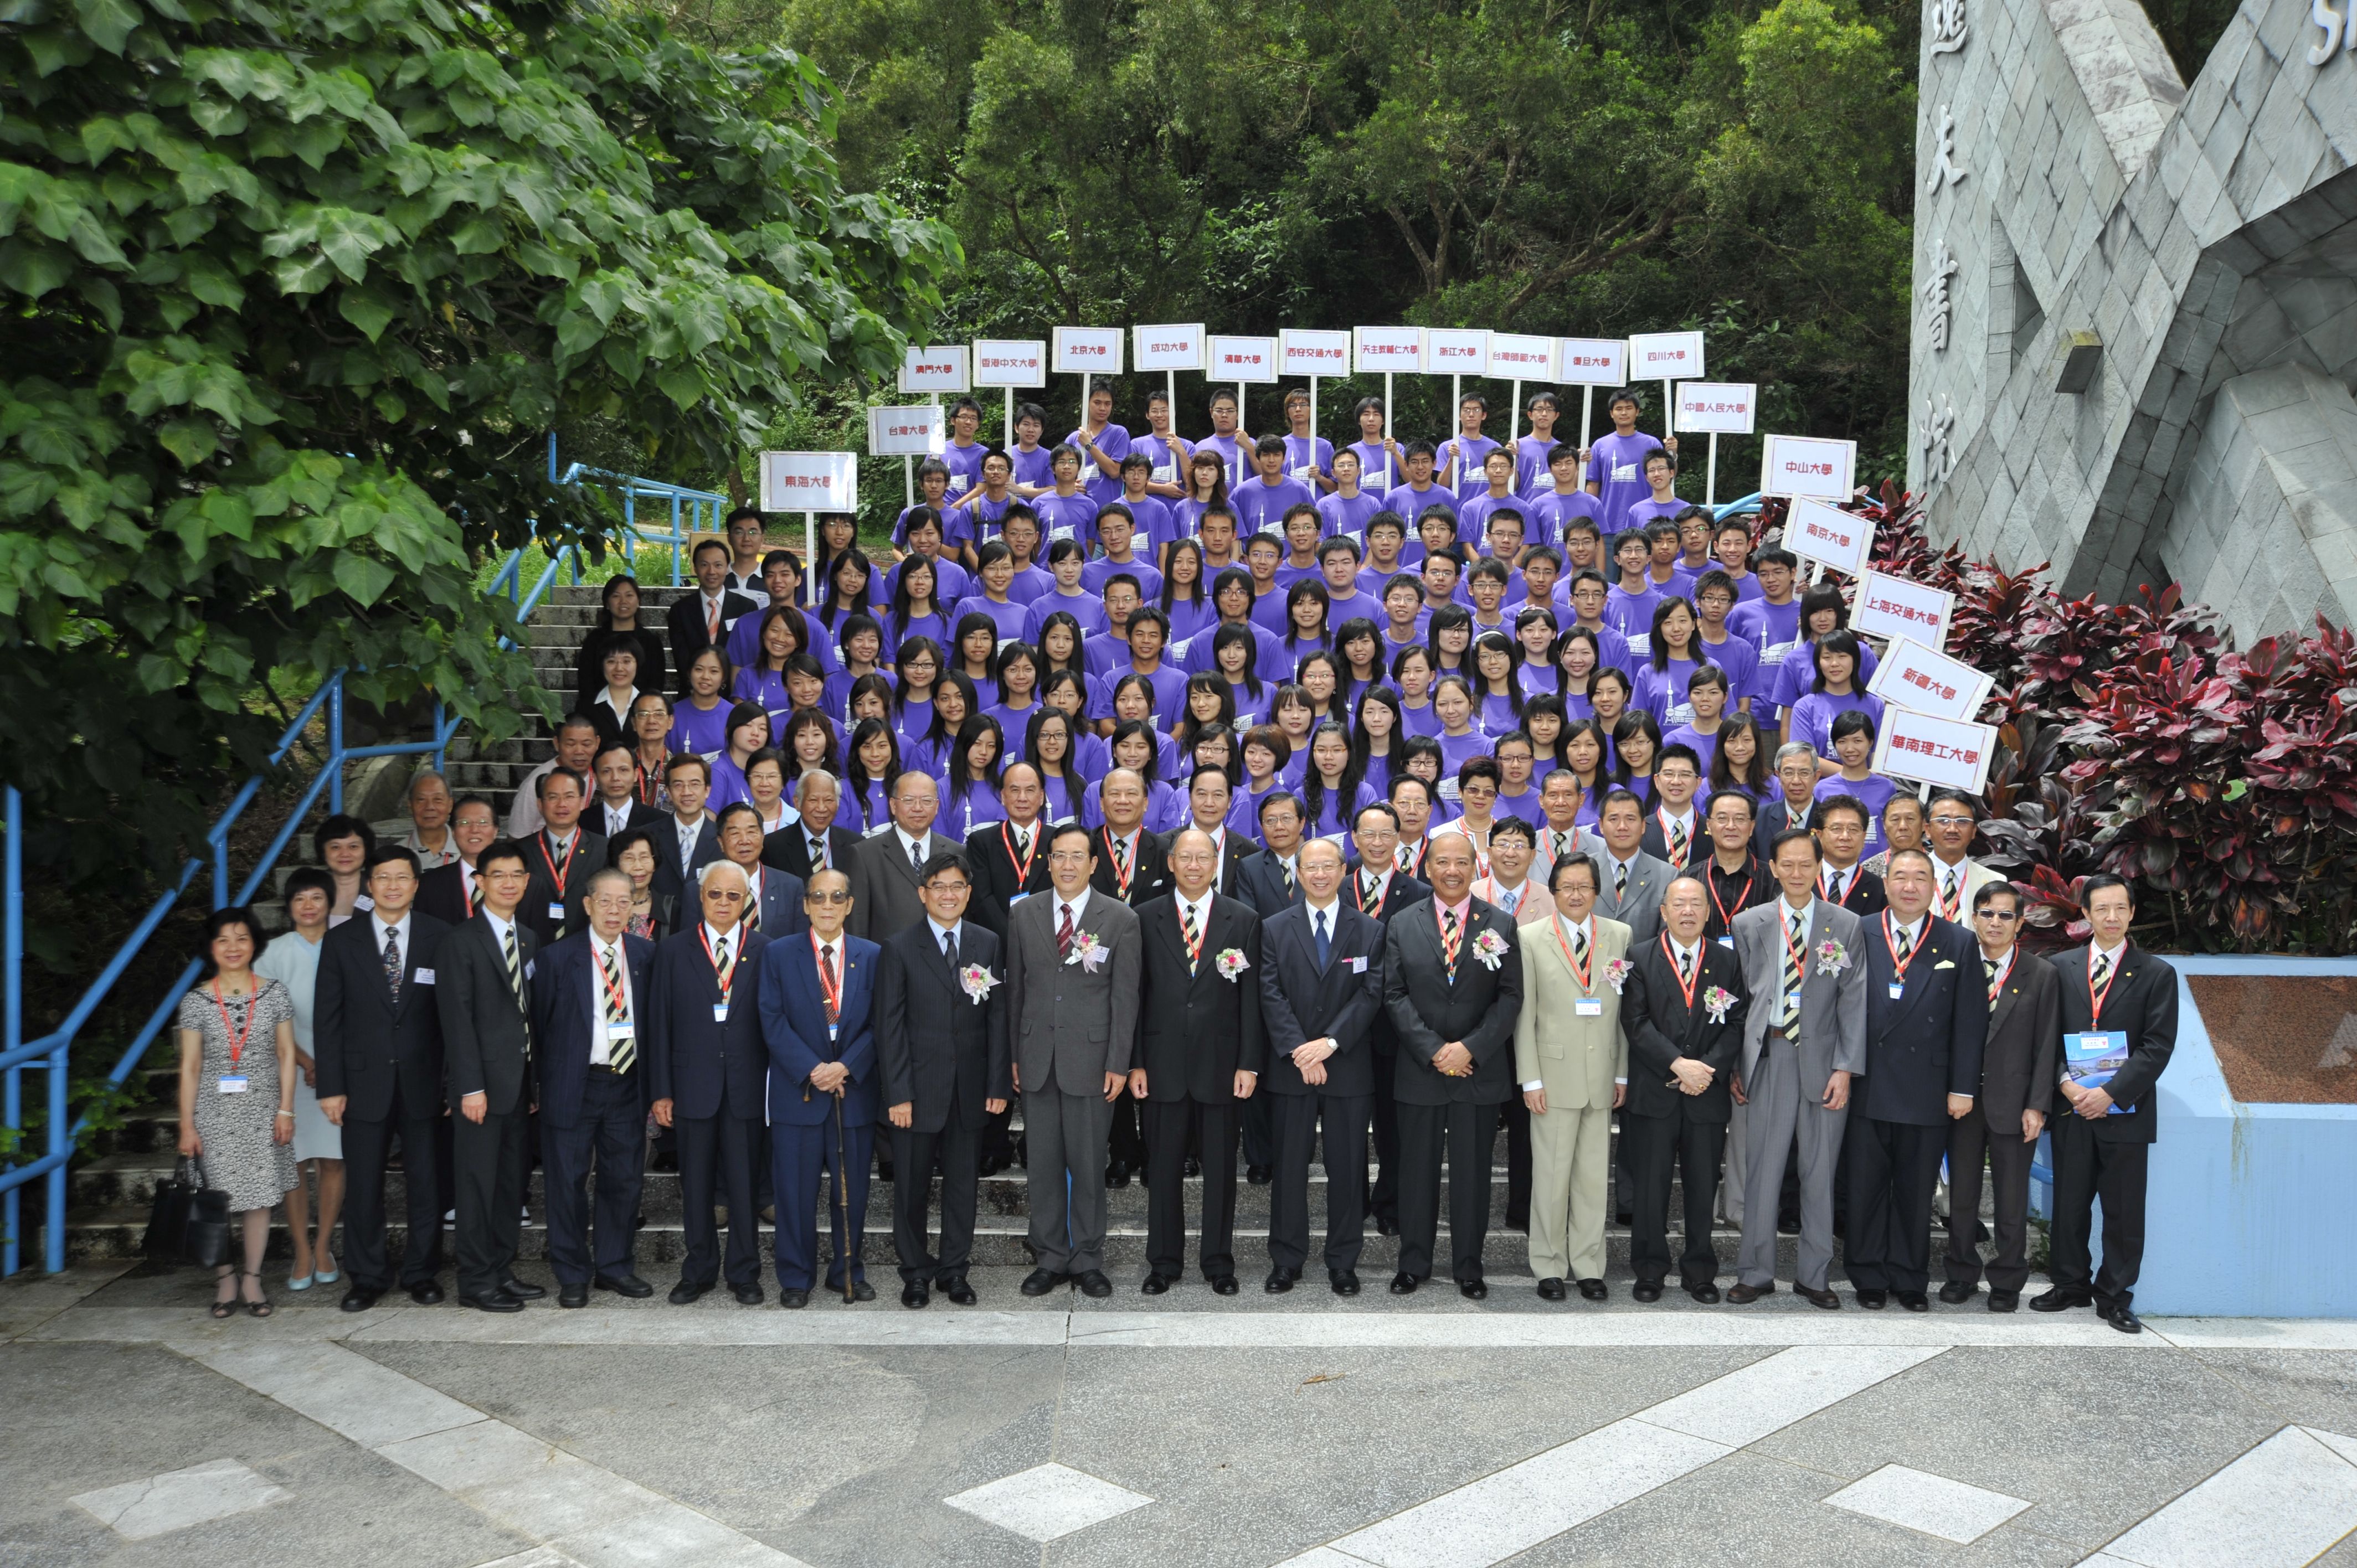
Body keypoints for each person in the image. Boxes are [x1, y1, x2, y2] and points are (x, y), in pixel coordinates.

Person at [1726, 829, 1868, 1308]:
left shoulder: (1845, 924)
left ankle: (1814, 1275)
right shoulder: (1749, 923)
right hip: (1768, 1056)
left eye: (1806, 864)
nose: (1797, 873)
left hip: (1825, 1062)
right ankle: (1755, 1271)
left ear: (1818, 866)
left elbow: (1854, 1001)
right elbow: (1742, 999)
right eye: (1787, 864)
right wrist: (1737, 1064)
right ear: (1773, 868)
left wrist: (1846, 1067)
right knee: (1762, 1170)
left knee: (1819, 1171)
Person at [1844, 849, 1987, 1311]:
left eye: (1919, 878)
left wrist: (1963, 1088)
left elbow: (1970, 1021)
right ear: (1884, 885)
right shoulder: (1857, 931)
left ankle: (1909, 1278)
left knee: (1915, 1189)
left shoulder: (1958, 941)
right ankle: (1866, 1274)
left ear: (1933, 886)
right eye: (1900, 877)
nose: (1909, 886)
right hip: (1867, 1081)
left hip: (1927, 1088)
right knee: (1865, 1186)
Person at [1383, 832, 1523, 1298]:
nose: (1451, 870)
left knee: (1472, 1176)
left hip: (1477, 1073)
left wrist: (1469, 1049)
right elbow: (1394, 994)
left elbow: (1510, 998)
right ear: (1428, 868)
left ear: (1475, 866)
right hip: (1420, 1071)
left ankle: (1469, 1266)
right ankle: (1413, 1264)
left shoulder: (1500, 925)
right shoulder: (1402, 923)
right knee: (1416, 1173)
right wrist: (1433, 1050)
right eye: (1442, 862)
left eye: (1461, 862)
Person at [2035, 873, 2176, 1333]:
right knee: (2070, 1204)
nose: (2111, 917)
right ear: (2085, 914)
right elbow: (2045, 1038)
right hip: (2073, 1108)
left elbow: (2157, 1046)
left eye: (2120, 908)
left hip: (2126, 1113)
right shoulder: (2059, 968)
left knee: (2123, 1210)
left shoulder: (2157, 973)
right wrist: (2067, 1086)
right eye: (2102, 909)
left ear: (2132, 913)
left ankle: (2115, 1296)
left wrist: (2110, 1093)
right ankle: (2070, 1284)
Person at [1006, 824, 1141, 1299]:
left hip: (1091, 1059)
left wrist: (1119, 1063)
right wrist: (1014, 1056)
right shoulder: (1024, 914)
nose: (1067, 865)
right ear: (1048, 862)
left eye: (1077, 856)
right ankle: (1049, 1257)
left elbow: (1126, 999)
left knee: (1087, 1166)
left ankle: (1087, 1258)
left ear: (1093, 864)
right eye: (1059, 856)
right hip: (1037, 1058)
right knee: (1042, 1166)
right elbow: (1017, 992)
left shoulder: (1120, 918)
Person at [315, 845, 450, 1312]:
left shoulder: (441, 936)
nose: (393, 885)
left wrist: (452, 1083)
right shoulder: (341, 940)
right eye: (383, 878)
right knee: (364, 1186)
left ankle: (421, 1272)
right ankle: (367, 1276)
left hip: (425, 1083)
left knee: (426, 1183)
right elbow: (327, 1020)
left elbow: (451, 1019)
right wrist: (330, 1087)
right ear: (370, 885)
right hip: (361, 1083)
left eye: (402, 877)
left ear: (417, 884)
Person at [1132, 828, 1265, 1294]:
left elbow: (1252, 999)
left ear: (1216, 864)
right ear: (1170, 863)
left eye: (1202, 858)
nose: (1193, 865)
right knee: (1163, 1171)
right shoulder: (1144, 917)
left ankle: (1218, 1263)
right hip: (1161, 1065)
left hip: (1222, 1067)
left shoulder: (1243, 919)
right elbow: (1135, 995)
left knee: (1221, 1174)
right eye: (1184, 857)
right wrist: (1135, 1063)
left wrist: (1249, 1063)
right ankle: (1163, 1262)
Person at [876, 850, 1010, 1307]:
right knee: (911, 1188)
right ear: (922, 894)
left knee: (962, 1187)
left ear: (969, 893)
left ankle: (955, 1270)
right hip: (916, 1092)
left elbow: (997, 1018)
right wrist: (897, 1092)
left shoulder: (986, 942)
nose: (948, 895)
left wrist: (996, 1085)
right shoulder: (898, 947)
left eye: (957, 887)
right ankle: (915, 1272)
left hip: (970, 1091)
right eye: (939, 887)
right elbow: (889, 1027)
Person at [1253, 837, 1384, 1295]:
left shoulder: (1368, 929)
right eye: (1312, 867)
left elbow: (1371, 994)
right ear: (1300, 873)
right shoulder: (1273, 927)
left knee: (1347, 1169)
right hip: (1293, 1068)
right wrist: (1300, 1050)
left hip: (1346, 1067)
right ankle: (1286, 1259)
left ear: (1343, 871)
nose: (1321, 875)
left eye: (1329, 866)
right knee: (1289, 1167)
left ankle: (1343, 1261)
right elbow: (1269, 993)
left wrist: (1329, 1044)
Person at [528, 866, 657, 1307]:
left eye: (625, 901)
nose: (615, 910)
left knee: (624, 1181)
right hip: (573, 1086)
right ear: (587, 905)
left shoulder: (645, 956)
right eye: (606, 901)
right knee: (566, 1182)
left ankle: (614, 1267)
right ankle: (572, 1273)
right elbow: (540, 1029)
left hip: (627, 1084)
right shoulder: (557, 958)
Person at [646, 859, 771, 1306]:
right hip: (691, 1087)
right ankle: (697, 1271)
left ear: (746, 902)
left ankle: (744, 1272)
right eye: (715, 894)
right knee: (696, 1187)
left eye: (733, 896)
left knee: (744, 1185)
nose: (723, 902)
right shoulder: (674, 950)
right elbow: (659, 1024)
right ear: (701, 897)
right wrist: (661, 1090)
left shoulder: (765, 949)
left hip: (747, 1089)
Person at [1619, 873, 1748, 1302]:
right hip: (1655, 1092)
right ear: (1664, 912)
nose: (1688, 911)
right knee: (1650, 1187)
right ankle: (1650, 1270)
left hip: (1705, 1095)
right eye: (1679, 904)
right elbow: (1635, 1023)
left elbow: (1736, 1023)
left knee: (1701, 1186)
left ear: (1708, 913)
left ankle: (1700, 1271)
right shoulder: (1639, 957)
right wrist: (1678, 1064)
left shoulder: (1726, 960)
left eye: (1696, 904)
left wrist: (1706, 1069)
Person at [758, 868, 880, 1306]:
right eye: (819, 898)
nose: (827, 906)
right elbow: (771, 1021)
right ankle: (795, 1277)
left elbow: (878, 1024)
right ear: (806, 905)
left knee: (853, 1193)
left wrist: (846, 1066)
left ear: (849, 904)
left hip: (853, 1093)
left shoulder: (871, 955)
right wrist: (814, 1069)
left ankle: (847, 1270)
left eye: (837, 897)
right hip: (799, 1092)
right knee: (793, 1192)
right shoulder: (778, 954)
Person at [434, 837, 542, 1313]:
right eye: (497, 875)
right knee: (476, 1186)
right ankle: (475, 1281)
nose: (508, 883)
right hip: (480, 1090)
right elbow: (456, 1021)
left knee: (508, 1185)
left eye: (516, 874)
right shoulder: (460, 940)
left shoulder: (529, 938)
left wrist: (533, 1084)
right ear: (479, 882)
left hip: (519, 1087)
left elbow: (529, 1016)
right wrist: (469, 1087)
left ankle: (501, 1269)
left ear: (527, 881)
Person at [1513, 855, 1629, 1302]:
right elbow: (1526, 1015)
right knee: (1552, 1176)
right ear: (1554, 892)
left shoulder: (1619, 936)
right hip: (1552, 1073)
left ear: (1597, 890)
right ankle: (1548, 1264)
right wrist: (1530, 1079)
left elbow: (1623, 1013)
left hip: (1601, 1072)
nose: (1576, 894)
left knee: (1592, 1178)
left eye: (1584, 886)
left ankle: (1588, 1264)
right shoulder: (1530, 937)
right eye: (1567, 887)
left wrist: (1622, 1071)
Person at [176, 907, 300, 1318]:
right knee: (216, 1198)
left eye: (242, 938)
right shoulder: (196, 1000)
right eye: (223, 939)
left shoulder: (274, 993)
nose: (233, 947)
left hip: (264, 1108)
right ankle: (225, 1278)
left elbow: (285, 1053)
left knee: (260, 1196)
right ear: (210, 947)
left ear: (254, 944)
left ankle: (252, 1278)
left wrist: (286, 1110)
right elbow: (190, 1066)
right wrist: (187, 1124)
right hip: (212, 1112)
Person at [1943, 879, 2060, 1312]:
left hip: (2015, 1103)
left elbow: (2047, 1044)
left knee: (2012, 1198)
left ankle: (2008, 1279)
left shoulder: (2041, 973)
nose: (1995, 922)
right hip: (1961, 1102)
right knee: (1963, 1196)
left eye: (2005, 915)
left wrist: (2037, 1104)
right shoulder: (1954, 965)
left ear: (2020, 922)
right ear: (1973, 917)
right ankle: (1960, 1273)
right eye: (1987, 913)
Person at [253, 868, 343, 1292]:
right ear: (289, 908)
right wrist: (305, 1061)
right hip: (288, 1071)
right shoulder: (271, 953)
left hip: (341, 1070)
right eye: (299, 899)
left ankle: (324, 1246)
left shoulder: (348, 943)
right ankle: (301, 1251)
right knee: (295, 1163)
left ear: (330, 902)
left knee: (333, 1160)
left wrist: (333, 1064)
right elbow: (265, 1018)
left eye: (317, 898)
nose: (308, 907)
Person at [846, 769, 960, 941]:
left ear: (937, 807)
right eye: (909, 800)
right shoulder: (865, 855)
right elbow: (857, 927)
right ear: (893, 805)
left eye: (927, 801)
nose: (918, 808)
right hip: (888, 961)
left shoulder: (956, 852)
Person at [517, 768, 604, 949]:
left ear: (582, 802)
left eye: (570, 796)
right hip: (535, 949)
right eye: (553, 797)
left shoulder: (604, 849)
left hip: (588, 950)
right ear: (540, 804)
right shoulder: (519, 852)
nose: (562, 804)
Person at [668, 538, 761, 682]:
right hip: (694, 692)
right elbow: (682, 660)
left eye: (718, 565)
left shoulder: (747, 607)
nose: (711, 571)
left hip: (733, 691)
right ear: (695, 568)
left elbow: (748, 656)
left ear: (727, 568)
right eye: (704, 565)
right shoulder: (680, 611)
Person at [1592, 786, 1671, 943]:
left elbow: (1666, 938)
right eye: (1614, 819)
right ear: (1601, 825)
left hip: (1644, 966)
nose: (1622, 826)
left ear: (1643, 826)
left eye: (1630, 819)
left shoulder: (1667, 875)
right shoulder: (1583, 871)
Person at [507, 714, 601, 839]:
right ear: (557, 743)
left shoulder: (599, 775)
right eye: (571, 744)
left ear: (597, 743)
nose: (579, 751)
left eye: (586, 744)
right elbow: (516, 836)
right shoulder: (538, 781)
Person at [766, 768, 860, 884]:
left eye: (829, 800)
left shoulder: (855, 845)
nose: (821, 808)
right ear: (797, 803)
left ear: (838, 803)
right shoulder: (772, 847)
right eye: (813, 800)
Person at [1923, 790, 2003, 922]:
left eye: (1962, 821)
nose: (1952, 829)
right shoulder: (1908, 880)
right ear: (1928, 830)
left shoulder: (1994, 881)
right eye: (1943, 821)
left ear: (1973, 831)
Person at [1814, 795, 1886, 916]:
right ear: (1819, 836)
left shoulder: (1880, 889)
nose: (1845, 837)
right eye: (1836, 829)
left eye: (1853, 829)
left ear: (1864, 837)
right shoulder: (1802, 880)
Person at [315, 813, 377, 922]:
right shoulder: (310, 893)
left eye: (353, 847)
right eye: (336, 847)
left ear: (366, 851)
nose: (344, 854)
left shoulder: (380, 892)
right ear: (324, 853)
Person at [399, 770, 460, 870]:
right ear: (410, 805)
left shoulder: (467, 850)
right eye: (421, 799)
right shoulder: (397, 855)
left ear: (450, 805)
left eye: (438, 799)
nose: (430, 807)